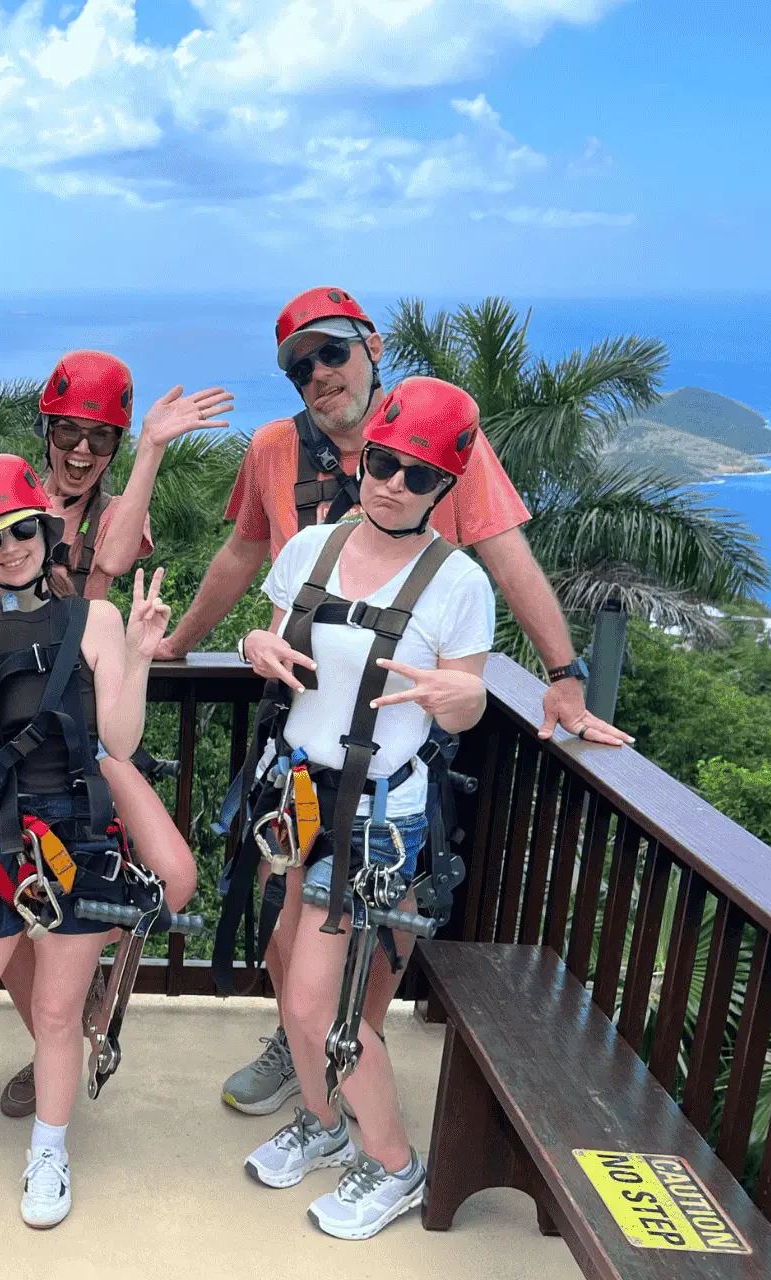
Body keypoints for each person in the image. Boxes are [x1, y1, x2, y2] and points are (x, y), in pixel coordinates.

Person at [150, 287, 631, 1117]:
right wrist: (182, 643)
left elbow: (504, 555)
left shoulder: (441, 436)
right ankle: (300, 1039)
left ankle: (343, 1050)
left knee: (378, 924)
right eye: (299, 365)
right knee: (281, 910)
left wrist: (563, 670)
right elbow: (240, 554)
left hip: (399, 747)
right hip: (301, 737)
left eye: (331, 352)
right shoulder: (273, 449)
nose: (318, 374)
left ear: (370, 346)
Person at [0, 350, 230, 1119]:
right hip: (8, 750)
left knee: (171, 878)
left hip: (93, 733)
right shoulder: (2, 507)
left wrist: (149, 450)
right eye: (70, 434)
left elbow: (109, 560)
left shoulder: (98, 523)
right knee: (18, 903)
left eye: (99, 440)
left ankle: (68, 1008)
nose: (82, 452)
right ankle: (61, 1028)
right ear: (45, 432)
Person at [233, 378, 494, 1240]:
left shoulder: (457, 582)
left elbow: (465, 705)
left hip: (377, 811)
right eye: (383, 463)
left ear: (443, 490)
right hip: (296, 792)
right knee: (282, 958)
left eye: (417, 477)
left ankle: (393, 1165)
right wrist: (254, 644)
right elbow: (272, 638)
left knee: (323, 1004)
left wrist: (458, 696)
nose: (392, 485)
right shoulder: (312, 548)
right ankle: (322, 1119)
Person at [0, 453, 171, 1230]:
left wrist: (144, 657)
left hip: (72, 835)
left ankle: (48, 1147)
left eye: (23, 530)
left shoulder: (97, 621)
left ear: (46, 534)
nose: (11, 547)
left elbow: (118, 738)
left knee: (56, 1017)